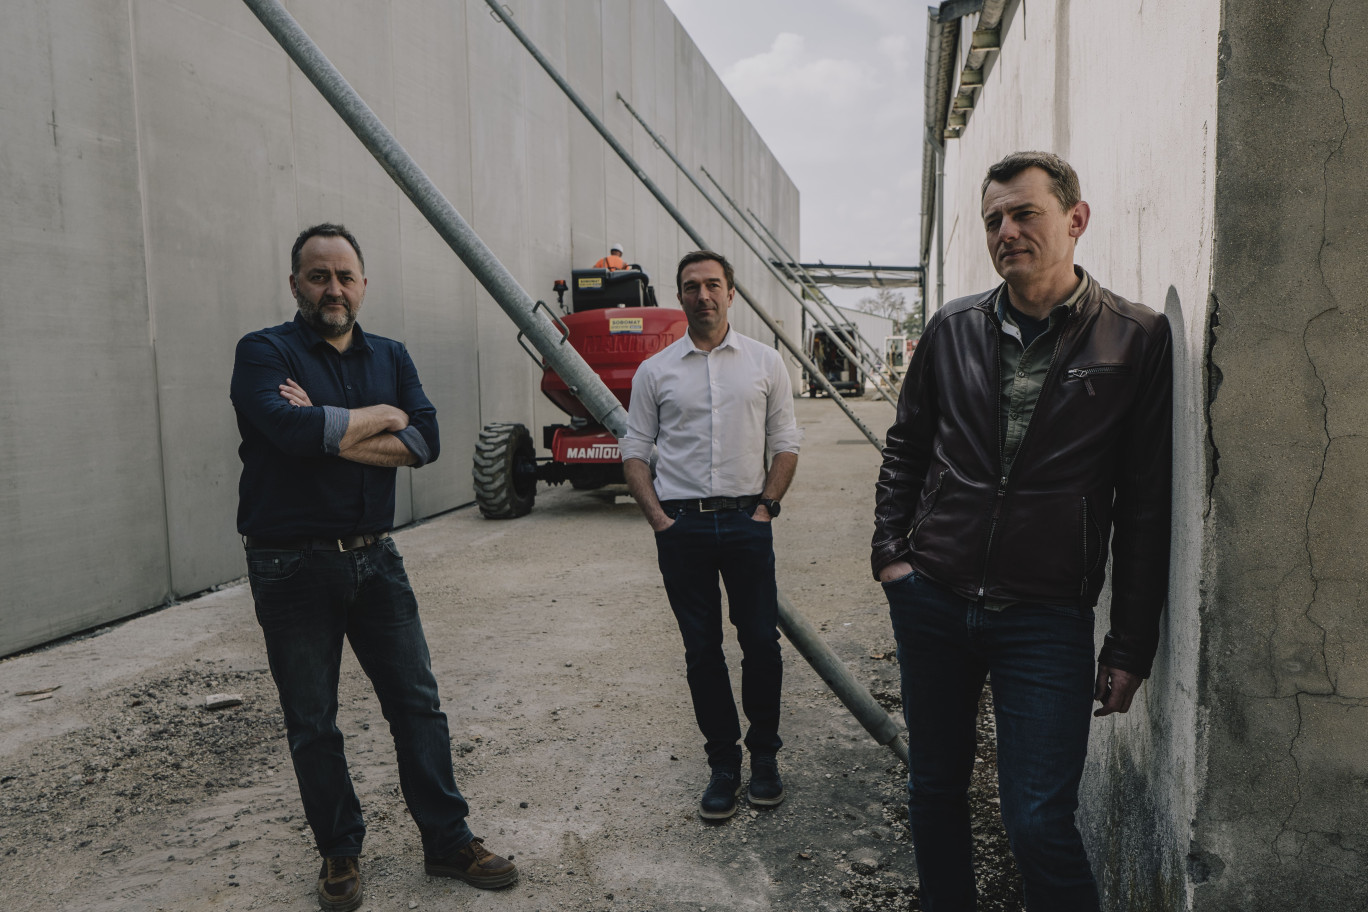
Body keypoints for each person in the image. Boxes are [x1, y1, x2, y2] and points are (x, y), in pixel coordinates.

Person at [871, 152, 1172, 911]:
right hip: (934, 597)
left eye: (1024, 213)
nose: (1006, 232)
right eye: (993, 220)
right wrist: (890, 558)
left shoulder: (1135, 338)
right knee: (935, 789)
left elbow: (1143, 500)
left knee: (1038, 820)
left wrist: (1130, 644)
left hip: (1045, 615)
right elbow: (906, 446)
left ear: (1075, 219)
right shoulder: (951, 328)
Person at [230, 224, 517, 911]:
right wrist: (377, 418)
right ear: (295, 282)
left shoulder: (390, 353)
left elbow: (425, 443)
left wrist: (336, 428)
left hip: (375, 559)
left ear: (364, 284)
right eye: (318, 275)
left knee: (418, 706)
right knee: (313, 721)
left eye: (345, 275)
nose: (334, 288)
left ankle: (449, 840)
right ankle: (339, 853)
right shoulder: (264, 351)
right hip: (289, 566)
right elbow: (287, 431)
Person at [621, 250, 801, 820]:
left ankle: (765, 758)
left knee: (761, 646)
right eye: (692, 286)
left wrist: (767, 508)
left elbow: (786, 443)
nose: (703, 295)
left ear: (731, 292)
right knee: (702, 652)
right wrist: (660, 522)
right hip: (684, 527)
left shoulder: (765, 363)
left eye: (713, 285)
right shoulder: (656, 371)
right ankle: (724, 766)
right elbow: (634, 451)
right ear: (680, 296)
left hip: (749, 521)